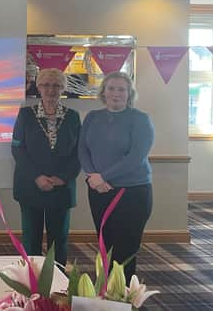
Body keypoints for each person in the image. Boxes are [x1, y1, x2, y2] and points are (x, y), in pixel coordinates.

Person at [79, 71, 154, 283]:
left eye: (121, 89)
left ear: (129, 93)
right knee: (105, 246)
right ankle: (105, 294)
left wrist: (102, 176)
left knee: (125, 250)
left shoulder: (140, 119)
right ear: (103, 92)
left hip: (132, 193)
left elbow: (136, 157)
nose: (116, 93)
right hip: (99, 191)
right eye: (111, 88)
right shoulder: (92, 117)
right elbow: (82, 150)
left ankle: (124, 297)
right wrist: (92, 177)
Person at [11, 68, 81, 267]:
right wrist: (37, 177)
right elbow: (18, 149)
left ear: (63, 89)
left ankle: (57, 281)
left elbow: (79, 152)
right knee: (31, 240)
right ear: (39, 87)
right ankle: (31, 280)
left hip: (61, 188)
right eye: (46, 85)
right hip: (31, 186)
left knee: (59, 241)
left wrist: (63, 178)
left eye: (56, 85)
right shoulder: (25, 114)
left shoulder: (73, 117)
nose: (51, 90)